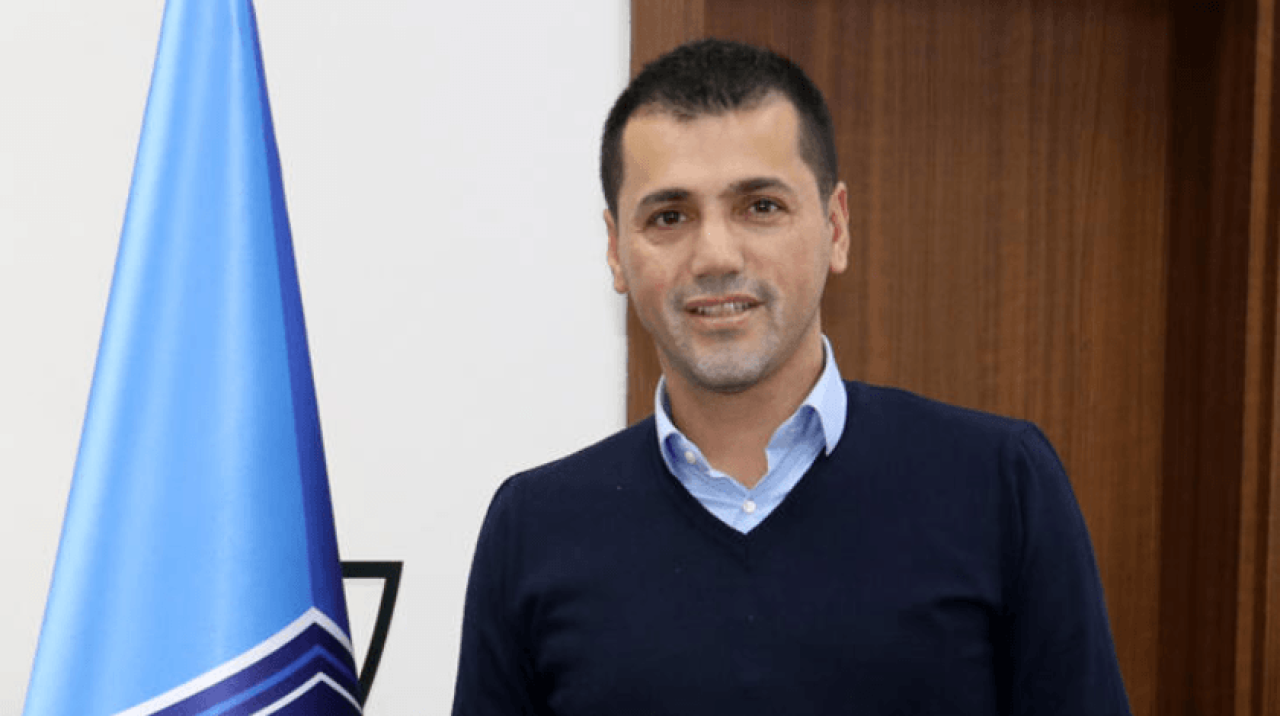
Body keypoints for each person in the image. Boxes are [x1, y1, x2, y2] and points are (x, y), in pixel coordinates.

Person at [451, 38, 1131, 715]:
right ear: (616, 251)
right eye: (669, 217)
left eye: (761, 207)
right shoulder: (533, 528)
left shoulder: (1001, 485)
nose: (715, 256)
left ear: (836, 227)